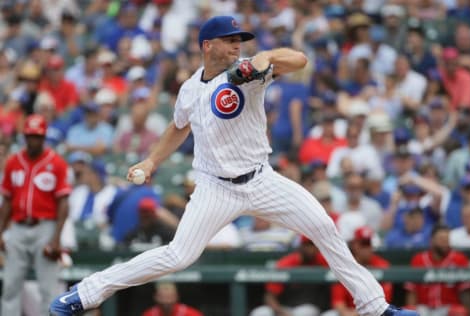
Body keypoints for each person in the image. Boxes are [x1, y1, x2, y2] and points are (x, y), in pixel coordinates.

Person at [50, 15, 418, 316]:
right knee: (177, 255)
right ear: (207, 46)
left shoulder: (247, 72)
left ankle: (375, 307)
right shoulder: (191, 89)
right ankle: (85, 293)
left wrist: (266, 56)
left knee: (324, 226)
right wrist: (151, 160)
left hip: (262, 179)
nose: (237, 44)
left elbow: (300, 60)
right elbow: (178, 127)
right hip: (216, 187)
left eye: (239, 39)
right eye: (229, 39)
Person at [0, 114, 71, 316]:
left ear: (44, 137)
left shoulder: (56, 163)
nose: (34, 140)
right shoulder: (14, 162)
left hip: (45, 227)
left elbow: (63, 203)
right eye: (30, 136)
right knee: (10, 287)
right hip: (18, 227)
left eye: (37, 136)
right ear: (25, 136)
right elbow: (6, 201)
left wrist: (56, 238)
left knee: (47, 290)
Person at [404, 225, 470, 316]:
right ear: (432, 240)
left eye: (447, 240)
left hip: (448, 307)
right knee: (407, 312)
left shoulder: (459, 259)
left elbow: (465, 291)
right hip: (423, 308)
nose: (445, 243)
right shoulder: (418, 259)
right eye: (441, 239)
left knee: (460, 312)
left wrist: (469, 312)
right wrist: (411, 311)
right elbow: (412, 291)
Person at [250, 236, 329, 316]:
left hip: (307, 307)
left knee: (305, 312)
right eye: (308, 245)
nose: (312, 249)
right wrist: (281, 312)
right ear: (301, 246)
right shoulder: (285, 264)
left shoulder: (322, 261)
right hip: (283, 307)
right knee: (260, 312)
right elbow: (269, 296)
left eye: (315, 246)